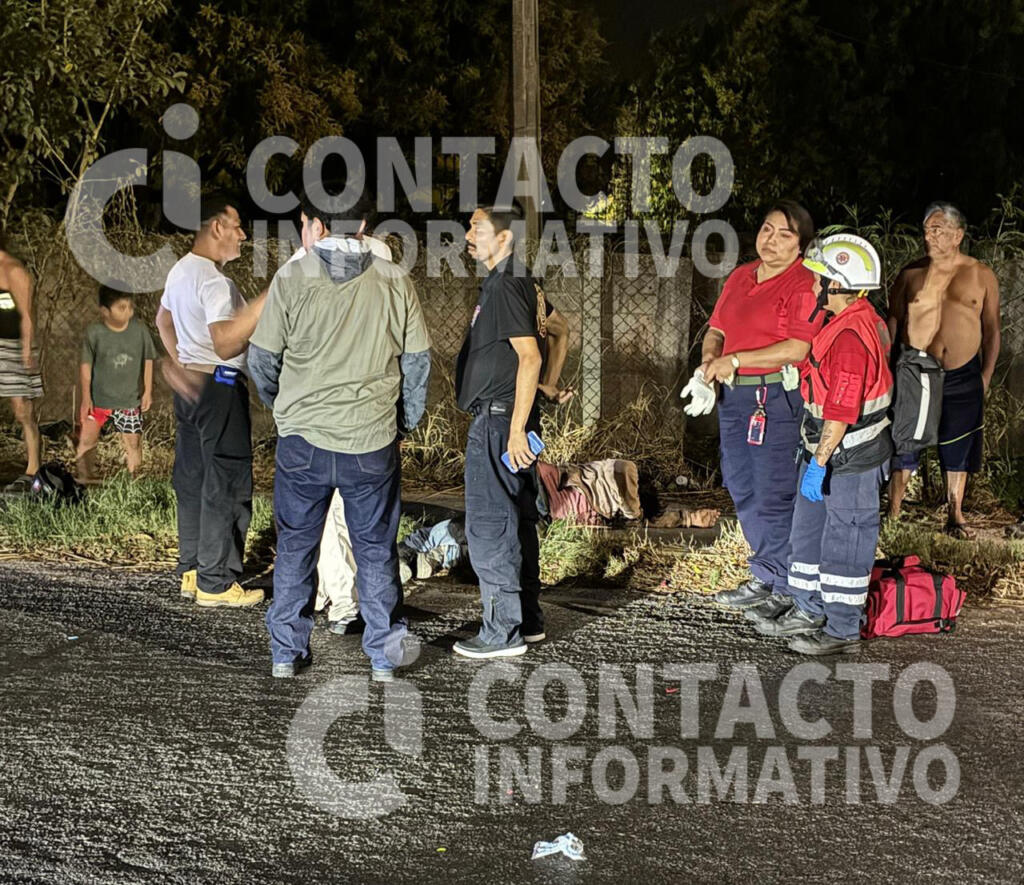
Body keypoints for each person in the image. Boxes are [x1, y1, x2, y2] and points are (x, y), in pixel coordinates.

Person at [249, 194, 431, 680]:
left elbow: (261, 361)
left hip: (302, 442)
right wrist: (403, 424)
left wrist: (287, 410)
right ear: (365, 223)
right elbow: (417, 364)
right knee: (375, 549)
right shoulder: (395, 280)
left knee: (295, 547)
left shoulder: (292, 277)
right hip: (371, 441)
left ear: (315, 223)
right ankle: (383, 657)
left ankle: (286, 652)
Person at [754, 234, 893, 654]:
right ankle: (809, 608)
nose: (813, 287)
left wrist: (819, 462)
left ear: (838, 285)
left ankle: (841, 631)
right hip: (827, 451)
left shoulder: (852, 336)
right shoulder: (843, 322)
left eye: (820, 280)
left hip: (849, 458)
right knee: (809, 532)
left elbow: (842, 411)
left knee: (845, 544)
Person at [681, 201, 822, 618]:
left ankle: (785, 583)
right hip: (734, 395)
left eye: (785, 234)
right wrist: (709, 363)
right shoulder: (743, 276)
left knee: (773, 489)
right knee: (742, 485)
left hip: (774, 395)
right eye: (766, 229)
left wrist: (736, 361)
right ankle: (766, 572)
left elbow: (799, 347)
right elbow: (718, 329)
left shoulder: (804, 282)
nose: (771, 240)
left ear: (802, 245)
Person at [452, 202, 573, 659]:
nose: (468, 233)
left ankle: (501, 632)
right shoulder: (527, 285)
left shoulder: (506, 285)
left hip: (501, 423)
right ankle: (529, 621)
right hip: (513, 417)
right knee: (519, 519)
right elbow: (561, 331)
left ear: (503, 239)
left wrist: (517, 429)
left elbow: (530, 355)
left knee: (490, 524)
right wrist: (549, 388)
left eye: (477, 227)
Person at [155, 196, 266, 608]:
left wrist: (181, 359)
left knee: (194, 479)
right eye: (237, 225)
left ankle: (192, 570)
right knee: (227, 480)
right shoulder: (214, 281)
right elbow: (224, 342)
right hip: (220, 385)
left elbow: (162, 320)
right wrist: (264, 301)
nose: (242, 234)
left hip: (192, 388)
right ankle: (216, 583)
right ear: (216, 227)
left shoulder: (181, 270)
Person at [886, 203, 1001, 538]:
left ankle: (955, 514)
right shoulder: (911, 274)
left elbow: (992, 329)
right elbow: (893, 321)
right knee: (906, 442)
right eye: (926, 229)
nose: (930, 235)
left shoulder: (981, 275)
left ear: (958, 235)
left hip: (964, 373)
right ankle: (893, 513)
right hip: (916, 370)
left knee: (958, 447)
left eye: (938, 228)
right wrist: (887, 366)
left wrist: (985, 377)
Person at [76, 286, 157, 481]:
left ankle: (134, 484)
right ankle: (85, 481)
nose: (128, 311)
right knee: (87, 441)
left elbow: (148, 359)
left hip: (129, 400)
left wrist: (147, 391)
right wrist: (86, 397)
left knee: (133, 442)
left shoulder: (139, 330)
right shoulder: (94, 333)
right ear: (105, 311)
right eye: (121, 307)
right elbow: (86, 366)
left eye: (130, 306)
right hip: (98, 400)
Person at [0, 229, 43, 492]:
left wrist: (27, 351)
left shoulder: (14, 271)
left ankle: (33, 467)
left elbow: (27, 316)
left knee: (22, 411)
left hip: (13, 346)